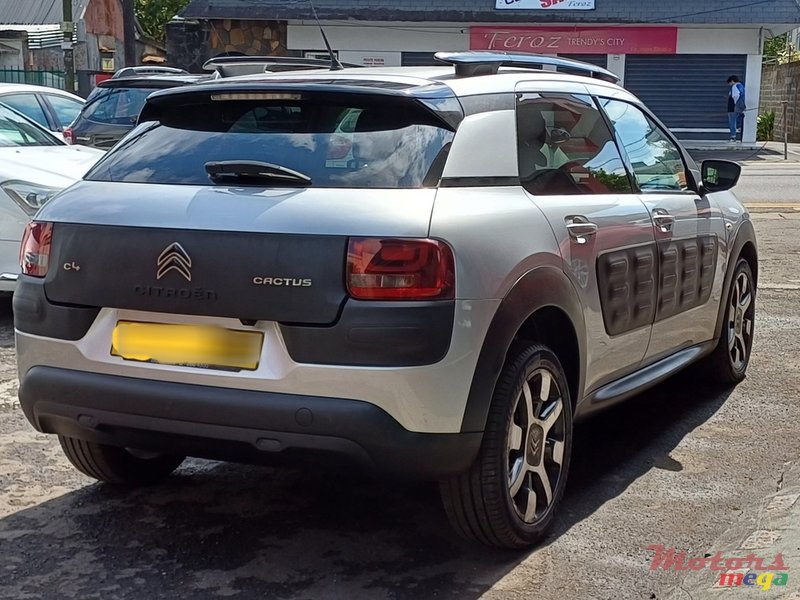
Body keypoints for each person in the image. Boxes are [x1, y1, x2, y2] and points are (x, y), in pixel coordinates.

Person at [727, 75, 746, 142]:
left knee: (732, 121)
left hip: (733, 107)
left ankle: (733, 136)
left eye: (730, 83)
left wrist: (735, 104)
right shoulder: (741, 86)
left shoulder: (734, 86)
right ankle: (739, 129)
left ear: (732, 81)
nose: (730, 85)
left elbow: (736, 95)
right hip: (741, 106)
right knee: (737, 118)